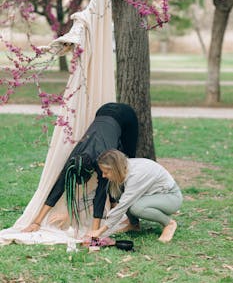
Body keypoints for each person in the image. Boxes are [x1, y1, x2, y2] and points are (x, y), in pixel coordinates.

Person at [22, 102, 138, 233]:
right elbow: (57, 189)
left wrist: (94, 232)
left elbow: (100, 196)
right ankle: (114, 205)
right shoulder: (74, 160)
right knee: (112, 168)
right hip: (103, 111)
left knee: (123, 166)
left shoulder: (102, 162)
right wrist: (36, 222)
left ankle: (133, 222)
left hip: (127, 117)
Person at [87, 149, 183, 243]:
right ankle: (134, 224)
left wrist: (100, 231)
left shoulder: (136, 175)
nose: (103, 176)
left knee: (136, 208)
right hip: (153, 195)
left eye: (106, 173)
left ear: (115, 169)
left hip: (171, 197)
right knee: (117, 192)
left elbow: (123, 205)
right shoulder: (125, 167)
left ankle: (169, 223)